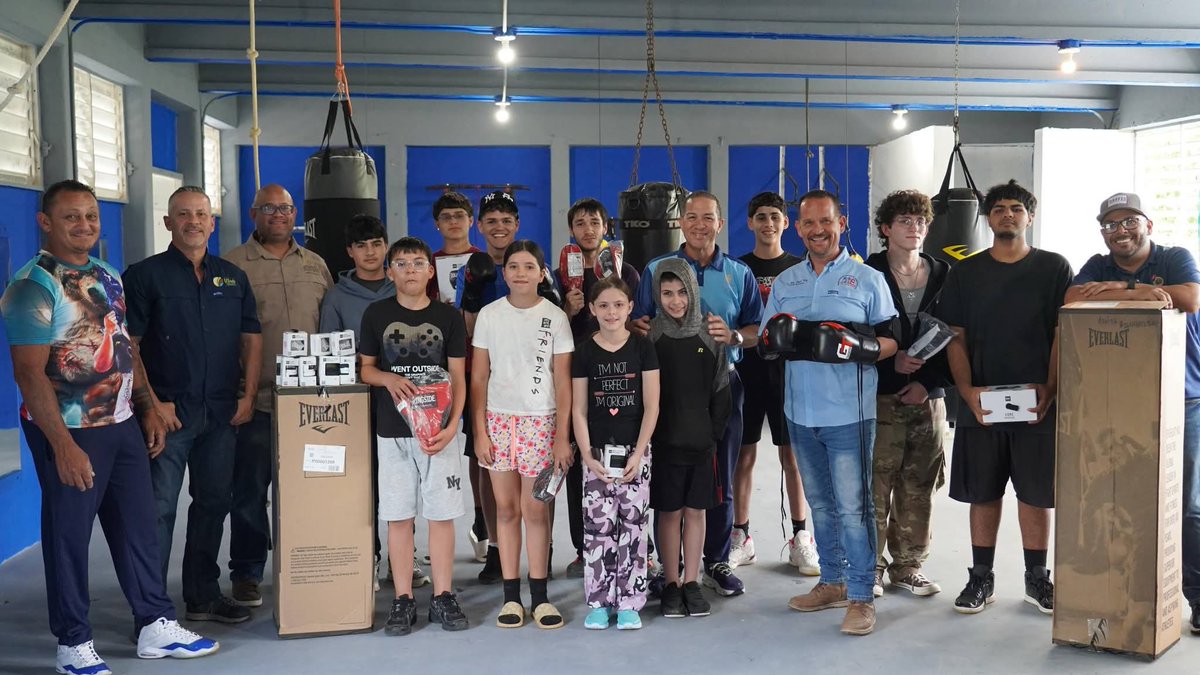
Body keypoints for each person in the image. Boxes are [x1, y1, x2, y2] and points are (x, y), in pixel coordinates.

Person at [2, 180, 219, 674]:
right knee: (69, 535)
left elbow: (124, 346)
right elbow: (28, 373)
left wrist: (145, 405)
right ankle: (73, 642)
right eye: (71, 217)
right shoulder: (32, 286)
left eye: (91, 217)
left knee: (138, 528)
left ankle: (154, 624)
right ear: (46, 222)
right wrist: (61, 444)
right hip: (70, 429)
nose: (84, 226)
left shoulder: (105, 274)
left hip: (119, 423)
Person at [123, 186, 262, 624]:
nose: (194, 222)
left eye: (201, 214)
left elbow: (250, 338)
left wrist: (249, 394)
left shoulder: (232, 277)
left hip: (220, 413)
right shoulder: (145, 276)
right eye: (183, 214)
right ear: (168, 223)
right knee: (159, 511)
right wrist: (152, 405)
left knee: (213, 503)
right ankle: (150, 610)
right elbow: (130, 345)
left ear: (212, 222)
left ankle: (202, 595)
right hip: (169, 414)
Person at [1064, 192, 1200, 633]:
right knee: (1125, 503)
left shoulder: (1175, 256)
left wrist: (1125, 290)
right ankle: (1126, 601)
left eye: (1129, 222)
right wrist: (1145, 293)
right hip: (1124, 404)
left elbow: (1187, 298)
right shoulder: (1096, 265)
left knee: (1188, 509)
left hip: (1186, 400)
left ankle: (1196, 599)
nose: (1120, 231)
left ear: (1148, 225)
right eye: (1111, 225)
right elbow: (1072, 297)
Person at [765, 189, 898, 636]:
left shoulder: (867, 279)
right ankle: (833, 581)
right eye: (808, 224)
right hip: (800, 412)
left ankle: (861, 595)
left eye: (826, 222)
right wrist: (771, 340)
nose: (818, 231)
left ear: (841, 222)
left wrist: (859, 346)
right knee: (821, 503)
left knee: (854, 507)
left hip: (850, 414)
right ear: (797, 227)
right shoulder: (786, 282)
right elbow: (768, 338)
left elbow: (892, 340)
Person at [936, 180, 1072, 616]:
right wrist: (966, 392)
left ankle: (1037, 578)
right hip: (983, 403)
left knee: (1035, 493)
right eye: (998, 209)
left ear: (1029, 217)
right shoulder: (968, 273)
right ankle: (981, 576)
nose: (1007, 214)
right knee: (984, 492)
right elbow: (955, 336)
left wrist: (1051, 389)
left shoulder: (1054, 268)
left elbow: (1060, 335)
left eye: (1016, 208)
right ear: (987, 218)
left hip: (1038, 402)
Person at [632, 190, 763, 598]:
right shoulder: (657, 268)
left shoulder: (738, 273)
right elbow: (638, 322)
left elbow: (757, 329)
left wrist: (736, 336)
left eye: (708, 217)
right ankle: (667, 570)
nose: (699, 224)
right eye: (691, 217)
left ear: (720, 224)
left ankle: (716, 560)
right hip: (666, 386)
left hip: (722, 382)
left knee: (718, 473)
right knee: (667, 480)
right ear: (680, 223)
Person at [223, 184, 333, 607]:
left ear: (295, 214)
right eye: (269, 208)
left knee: (310, 488)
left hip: (311, 402)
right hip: (257, 398)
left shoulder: (316, 265)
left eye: (285, 208)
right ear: (254, 213)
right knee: (249, 490)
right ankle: (247, 571)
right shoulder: (232, 265)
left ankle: (309, 563)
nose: (278, 215)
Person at [359, 236, 470, 636]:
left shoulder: (449, 318)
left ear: (430, 271)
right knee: (398, 515)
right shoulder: (375, 314)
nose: (410, 270)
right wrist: (388, 378)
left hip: (437, 433)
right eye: (401, 264)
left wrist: (454, 423)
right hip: (391, 433)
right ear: (390, 271)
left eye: (417, 263)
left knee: (441, 515)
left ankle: (442, 595)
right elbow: (365, 369)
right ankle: (403, 598)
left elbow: (458, 376)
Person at [317, 214, 428, 590]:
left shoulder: (404, 287)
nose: (370, 251)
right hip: (358, 403)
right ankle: (370, 555)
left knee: (406, 484)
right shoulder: (336, 297)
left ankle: (406, 559)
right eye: (361, 245)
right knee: (364, 484)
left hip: (407, 404)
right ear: (350, 251)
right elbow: (330, 350)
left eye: (377, 243)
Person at [471, 240, 574, 629]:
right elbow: (478, 377)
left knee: (535, 510)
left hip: (541, 424)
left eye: (529, 266)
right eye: (513, 266)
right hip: (498, 423)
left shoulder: (555, 317)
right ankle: (511, 597)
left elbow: (562, 382)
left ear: (541, 273)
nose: (520, 273)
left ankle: (541, 596)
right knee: (507, 509)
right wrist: (480, 430)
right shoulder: (489, 315)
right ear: (504, 272)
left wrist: (561, 436)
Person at [863, 190, 950, 598]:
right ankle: (871, 567)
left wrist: (929, 383)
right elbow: (858, 333)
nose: (914, 228)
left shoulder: (945, 273)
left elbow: (958, 337)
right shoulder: (867, 272)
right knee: (876, 482)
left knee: (920, 483)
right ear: (886, 229)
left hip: (928, 399)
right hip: (879, 395)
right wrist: (889, 365)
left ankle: (909, 566)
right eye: (904, 221)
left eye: (920, 221)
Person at [728, 191, 817, 575]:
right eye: (760, 216)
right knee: (743, 455)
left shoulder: (801, 267)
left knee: (792, 457)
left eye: (775, 217)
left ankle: (800, 536)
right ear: (750, 222)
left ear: (786, 224)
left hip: (788, 372)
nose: (768, 223)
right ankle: (741, 536)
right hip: (747, 369)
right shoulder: (737, 268)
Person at [556, 197, 642, 578]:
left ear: (607, 228)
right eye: (580, 222)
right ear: (571, 229)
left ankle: (637, 539)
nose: (588, 228)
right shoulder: (559, 279)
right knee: (581, 463)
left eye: (595, 221)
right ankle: (583, 545)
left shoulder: (628, 273)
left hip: (622, 380)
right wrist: (568, 309)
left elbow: (638, 323)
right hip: (578, 377)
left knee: (629, 462)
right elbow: (552, 332)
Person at [571, 276, 659, 630]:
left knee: (633, 527)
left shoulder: (642, 347)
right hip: (595, 455)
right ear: (592, 309)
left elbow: (651, 406)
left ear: (629, 307)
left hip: (635, 453)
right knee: (599, 529)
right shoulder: (584, 351)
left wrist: (639, 453)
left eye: (618, 305)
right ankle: (599, 601)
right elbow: (578, 409)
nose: (611, 312)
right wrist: (587, 455)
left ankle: (630, 601)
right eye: (603, 305)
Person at [647, 260, 732, 618]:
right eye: (667, 293)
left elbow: (721, 390)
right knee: (668, 513)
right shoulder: (650, 336)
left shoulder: (710, 335)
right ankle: (671, 582)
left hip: (701, 444)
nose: (676, 300)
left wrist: (711, 434)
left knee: (695, 512)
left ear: (693, 292)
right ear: (656, 295)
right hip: (664, 443)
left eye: (682, 292)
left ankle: (692, 581)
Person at [456, 190, 520, 583]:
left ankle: (540, 546)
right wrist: (475, 293)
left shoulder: (531, 263)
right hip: (484, 378)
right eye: (491, 220)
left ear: (516, 225)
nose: (499, 227)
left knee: (535, 468)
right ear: (480, 226)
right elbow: (468, 329)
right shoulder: (473, 268)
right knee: (485, 462)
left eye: (506, 220)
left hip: (530, 381)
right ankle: (495, 546)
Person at [427, 191, 491, 565]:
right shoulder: (426, 263)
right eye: (446, 216)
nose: (453, 222)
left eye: (460, 215)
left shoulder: (485, 262)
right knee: (437, 446)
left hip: (481, 364)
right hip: (438, 367)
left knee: (477, 446)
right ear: (437, 224)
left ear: (471, 221)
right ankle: (436, 529)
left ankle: (483, 519)